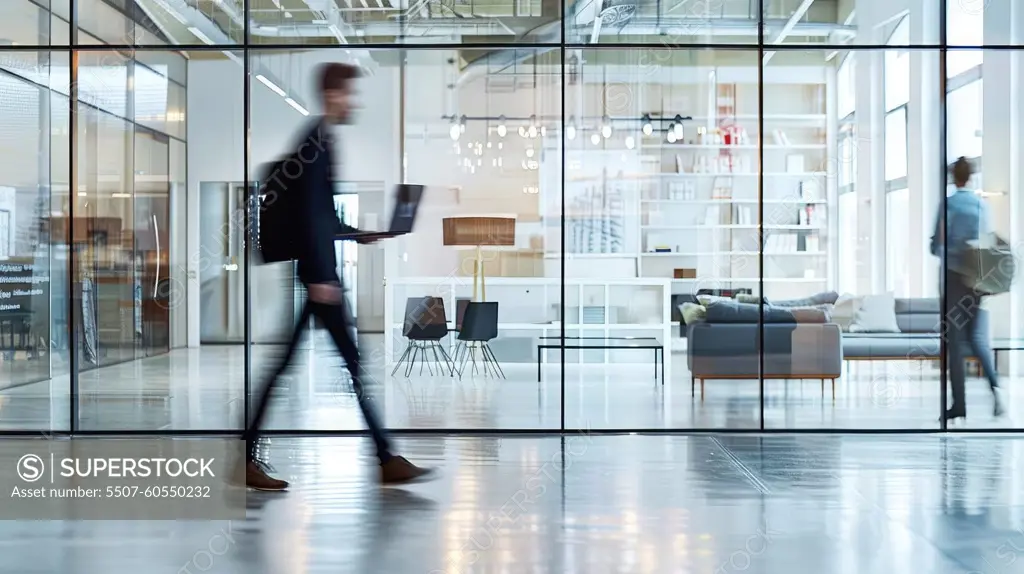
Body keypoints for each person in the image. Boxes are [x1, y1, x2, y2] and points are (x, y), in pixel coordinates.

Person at [243, 63, 435, 490]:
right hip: (320, 280)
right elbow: (309, 217)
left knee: (312, 366)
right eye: (350, 93)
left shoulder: (321, 140)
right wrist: (320, 277)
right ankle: (384, 458)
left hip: (319, 277)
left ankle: (384, 457)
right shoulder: (316, 142)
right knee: (339, 366)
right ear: (333, 94)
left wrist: (358, 234)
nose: (354, 102)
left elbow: (325, 217)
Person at [930, 156, 1004, 424]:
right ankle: (996, 391)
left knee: (954, 344)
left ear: (953, 177)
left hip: (953, 280)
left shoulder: (948, 205)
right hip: (975, 282)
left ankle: (959, 405)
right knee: (976, 339)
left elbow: (937, 245)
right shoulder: (981, 206)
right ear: (970, 177)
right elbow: (987, 244)